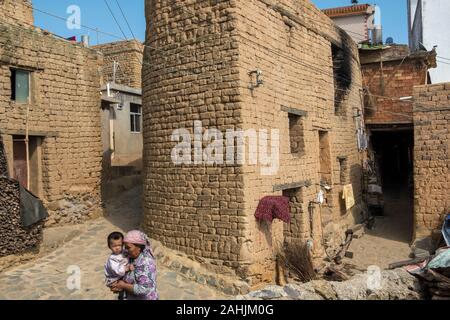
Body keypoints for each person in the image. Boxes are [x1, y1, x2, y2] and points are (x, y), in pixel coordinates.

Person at [110, 230, 158, 300]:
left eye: (128, 247)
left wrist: (123, 285)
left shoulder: (146, 263)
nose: (125, 250)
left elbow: (144, 289)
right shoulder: (130, 257)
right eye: (125, 247)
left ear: (139, 247)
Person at [104, 231, 134, 300]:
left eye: (119, 245)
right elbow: (117, 271)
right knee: (122, 290)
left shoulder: (123, 252)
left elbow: (127, 256)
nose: (117, 248)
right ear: (109, 247)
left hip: (120, 276)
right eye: (114, 246)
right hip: (114, 278)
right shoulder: (112, 259)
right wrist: (127, 268)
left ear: (123, 244)